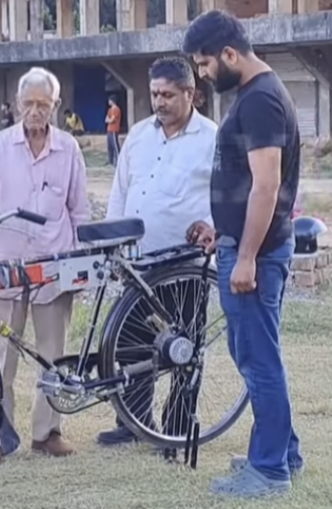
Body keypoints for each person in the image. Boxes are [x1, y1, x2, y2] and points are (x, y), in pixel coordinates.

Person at [182, 10, 302, 499]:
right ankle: (282, 451)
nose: (203, 75)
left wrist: (248, 253)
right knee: (257, 355)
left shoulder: (260, 101)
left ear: (230, 54)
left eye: (206, 64)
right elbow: (247, 183)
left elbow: (267, 184)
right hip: (244, 243)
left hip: (261, 252)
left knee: (258, 360)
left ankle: (269, 470)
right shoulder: (257, 96)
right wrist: (225, 232)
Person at [97, 56, 217, 447]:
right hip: (139, 265)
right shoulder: (138, 135)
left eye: (167, 94)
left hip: (184, 266)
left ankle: (177, 430)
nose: (159, 102)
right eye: (154, 94)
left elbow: (226, 194)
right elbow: (120, 190)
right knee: (130, 347)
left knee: (183, 351)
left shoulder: (212, 138)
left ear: (190, 94)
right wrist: (113, 245)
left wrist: (216, 229)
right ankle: (133, 423)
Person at [0, 66, 90, 465]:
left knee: (52, 355)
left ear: (56, 106)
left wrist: (81, 267)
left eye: (44, 104)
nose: (36, 111)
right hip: (5, 267)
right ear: (17, 105)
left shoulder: (69, 149)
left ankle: (47, 433)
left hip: (53, 268)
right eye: (30, 103)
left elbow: (79, 211)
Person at [105, 95, 122, 165]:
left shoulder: (116, 109)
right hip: (109, 130)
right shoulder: (110, 110)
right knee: (109, 146)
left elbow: (111, 120)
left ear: (112, 101)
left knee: (115, 146)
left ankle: (119, 160)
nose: (108, 102)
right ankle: (110, 161)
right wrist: (109, 120)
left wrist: (109, 120)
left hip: (114, 130)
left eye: (109, 100)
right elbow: (106, 119)